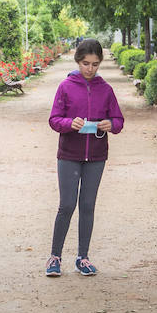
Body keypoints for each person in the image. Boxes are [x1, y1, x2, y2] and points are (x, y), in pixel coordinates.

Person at [46, 38, 125, 276]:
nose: (90, 69)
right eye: (85, 63)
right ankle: (54, 257)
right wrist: (71, 123)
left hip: (97, 156)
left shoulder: (106, 90)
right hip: (69, 155)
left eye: (95, 64)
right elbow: (54, 119)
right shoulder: (65, 87)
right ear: (77, 61)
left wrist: (110, 124)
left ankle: (83, 257)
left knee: (88, 205)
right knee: (67, 205)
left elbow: (119, 121)